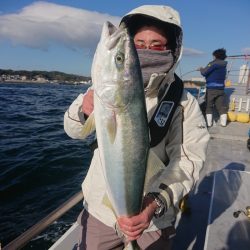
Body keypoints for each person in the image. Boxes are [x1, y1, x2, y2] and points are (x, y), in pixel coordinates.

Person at [64, 5, 210, 250]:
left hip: (152, 220)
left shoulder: (184, 103)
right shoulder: (101, 90)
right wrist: (84, 111)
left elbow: (188, 160)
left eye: (156, 45)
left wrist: (154, 203)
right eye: (139, 43)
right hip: (101, 213)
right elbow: (73, 130)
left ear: (172, 49)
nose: (146, 50)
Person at [198, 48, 228, 127]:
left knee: (209, 106)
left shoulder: (213, 63)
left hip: (211, 88)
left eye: (213, 56)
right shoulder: (224, 64)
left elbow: (204, 72)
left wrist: (200, 69)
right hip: (221, 89)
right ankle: (223, 123)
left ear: (215, 55)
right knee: (221, 107)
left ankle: (209, 123)